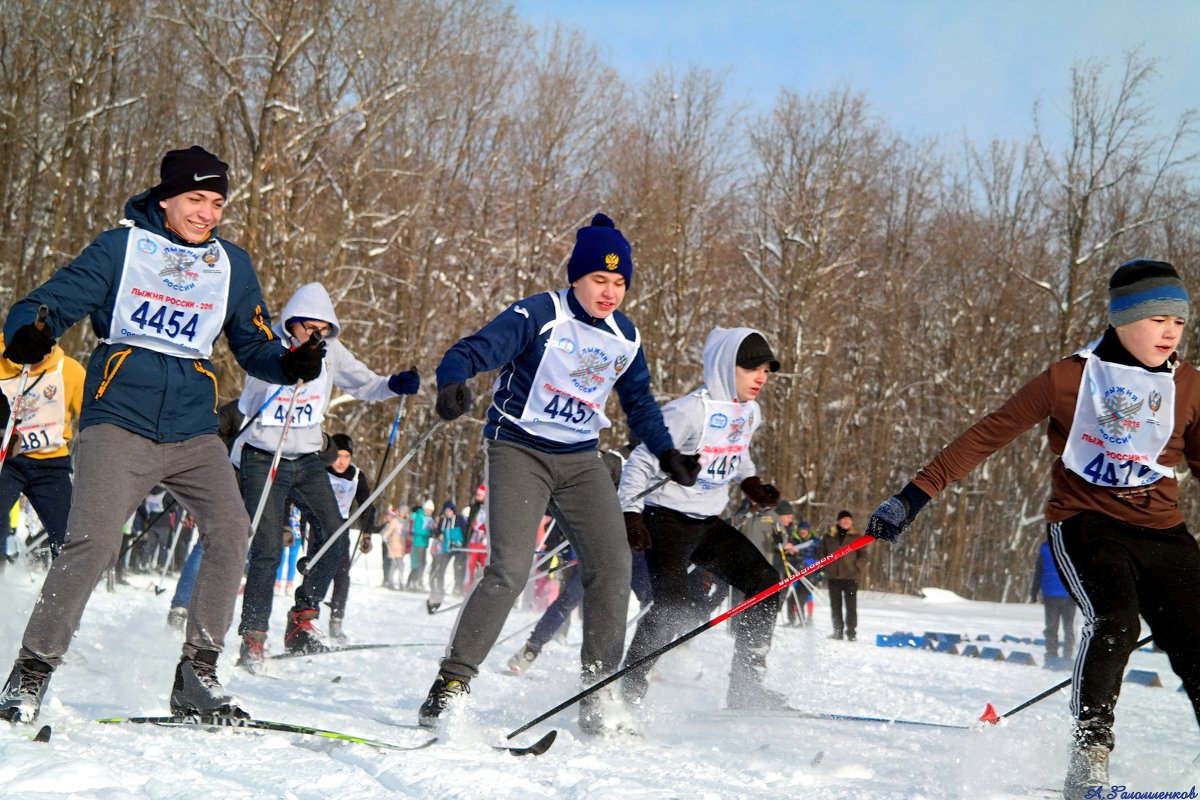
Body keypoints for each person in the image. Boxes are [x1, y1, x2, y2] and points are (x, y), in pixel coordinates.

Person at [0, 145, 322, 724]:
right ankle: (29, 674)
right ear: (166, 198)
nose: (206, 213)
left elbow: (254, 345)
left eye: (217, 202)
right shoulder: (122, 248)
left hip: (194, 431)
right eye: (195, 199)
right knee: (93, 543)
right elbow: (45, 304)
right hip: (118, 419)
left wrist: (290, 362)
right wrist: (30, 332)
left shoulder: (232, 265)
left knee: (231, 530)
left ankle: (197, 672)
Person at [863, 259, 1200, 799]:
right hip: (1087, 524)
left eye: (1179, 322)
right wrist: (912, 496)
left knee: (1196, 640)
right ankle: (1089, 757)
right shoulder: (1070, 377)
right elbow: (986, 435)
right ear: (1120, 319)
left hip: (1163, 531)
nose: (1170, 332)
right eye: (1157, 318)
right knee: (1115, 622)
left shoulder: (1189, 386)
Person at [419, 213, 699, 734]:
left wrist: (667, 454)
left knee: (613, 565)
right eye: (599, 279)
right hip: (518, 451)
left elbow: (638, 402)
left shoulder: (626, 336)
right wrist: (453, 381)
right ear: (576, 277)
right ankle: (450, 685)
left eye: (619, 283)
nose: (609, 292)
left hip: (580, 460)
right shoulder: (539, 314)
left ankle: (598, 692)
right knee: (510, 568)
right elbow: (471, 350)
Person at [232, 283, 417, 668]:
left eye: (322, 328)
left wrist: (393, 385)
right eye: (308, 328)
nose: (315, 336)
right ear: (291, 325)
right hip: (264, 457)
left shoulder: (332, 353)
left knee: (334, 538)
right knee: (267, 549)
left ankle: (302, 620)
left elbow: (366, 383)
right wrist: (289, 369)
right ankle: (253, 637)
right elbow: (250, 401)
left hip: (307, 460)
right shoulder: (271, 349)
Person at [618, 327, 786, 711]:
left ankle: (746, 688)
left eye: (765, 370)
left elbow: (735, 450)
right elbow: (642, 460)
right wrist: (631, 514)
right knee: (671, 606)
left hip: (708, 523)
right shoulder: (689, 410)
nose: (760, 377)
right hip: (666, 521)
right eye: (750, 369)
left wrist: (752, 483)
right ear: (728, 368)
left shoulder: (750, 411)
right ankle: (629, 689)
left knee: (764, 582)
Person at [0, 336, 85, 560]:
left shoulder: (69, 369)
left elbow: (92, 414)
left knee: (68, 537)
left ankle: (63, 591)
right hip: (6, 462)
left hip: (51, 465)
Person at [323, 433, 377, 643]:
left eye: (347, 456)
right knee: (319, 573)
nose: (342, 460)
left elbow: (367, 506)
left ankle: (336, 621)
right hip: (319, 527)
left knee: (342, 576)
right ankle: (305, 618)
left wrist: (367, 533)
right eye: (338, 455)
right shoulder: (320, 471)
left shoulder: (356, 476)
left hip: (342, 528)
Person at [818, 510, 866, 641]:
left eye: (849, 520)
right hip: (833, 577)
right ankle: (837, 632)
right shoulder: (828, 536)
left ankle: (851, 633)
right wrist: (825, 566)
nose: (846, 522)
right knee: (835, 606)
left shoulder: (857, 537)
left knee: (851, 606)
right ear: (838, 521)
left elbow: (864, 555)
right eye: (844, 519)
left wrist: (857, 566)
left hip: (851, 577)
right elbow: (820, 551)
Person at [1030, 540, 1077, 669]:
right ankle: (1064, 657)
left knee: (1053, 628)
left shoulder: (1045, 548)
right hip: (1064, 595)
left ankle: (1053, 656)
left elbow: (1038, 572)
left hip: (1055, 595)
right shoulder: (1073, 546)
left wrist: (1034, 591)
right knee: (1067, 629)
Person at [426, 501, 464, 613]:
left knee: (454, 567)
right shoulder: (442, 519)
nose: (448, 512)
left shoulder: (458, 519)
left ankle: (454, 588)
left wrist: (455, 541)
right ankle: (437, 588)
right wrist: (438, 533)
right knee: (438, 568)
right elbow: (437, 531)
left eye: (449, 510)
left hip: (453, 548)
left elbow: (460, 533)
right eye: (446, 510)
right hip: (442, 548)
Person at [406, 499, 434, 591]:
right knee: (418, 564)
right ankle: (412, 582)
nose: (428, 512)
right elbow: (416, 530)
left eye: (430, 511)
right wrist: (428, 533)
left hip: (424, 543)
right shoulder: (419, 517)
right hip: (418, 543)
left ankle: (416, 581)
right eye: (427, 510)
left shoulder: (430, 519)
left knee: (422, 563)